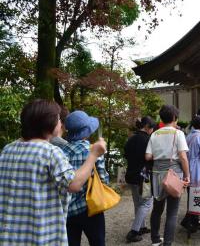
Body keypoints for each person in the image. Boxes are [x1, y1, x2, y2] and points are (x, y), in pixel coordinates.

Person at [0, 99, 106, 246]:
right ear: (48, 123)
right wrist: (93, 155)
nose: (61, 124)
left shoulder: (8, 149)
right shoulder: (50, 151)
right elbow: (74, 184)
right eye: (58, 119)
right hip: (41, 235)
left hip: (10, 235)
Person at [145, 105, 190, 246]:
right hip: (174, 175)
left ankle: (155, 239)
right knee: (172, 211)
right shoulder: (178, 134)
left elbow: (148, 156)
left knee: (157, 209)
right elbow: (183, 157)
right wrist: (187, 175)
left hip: (157, 174)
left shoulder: (154, 134)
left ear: (162, 118)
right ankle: (168, 243)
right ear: (175, 118)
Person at [63, 110, 109, 246]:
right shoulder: (92, 150)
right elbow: (103, 180)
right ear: (87, 132)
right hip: (90, 207)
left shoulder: (60, 151)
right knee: (97, 242)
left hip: (68, 210)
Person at [124, 116, 156, 243]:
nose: (152, 130)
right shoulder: (149, 140)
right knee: (147, 203)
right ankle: (134, 231)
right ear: (148, 127)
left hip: (131, 175)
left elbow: (126, 154)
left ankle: (142, 227)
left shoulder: (131, 139)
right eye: (152, 128)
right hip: (143, 177)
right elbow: (151, 158)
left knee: (138, 203)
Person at [181, 115, 200, 232]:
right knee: (198, 194)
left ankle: (193, 220)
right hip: (198, 168)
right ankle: (189, 221)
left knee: (191, 194)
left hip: (188, 167)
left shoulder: (189, 136)